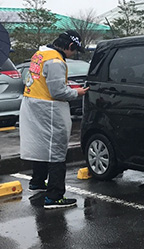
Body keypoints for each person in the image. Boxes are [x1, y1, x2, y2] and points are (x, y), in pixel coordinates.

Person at [20, 30, 89, 209]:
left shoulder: (40, 53)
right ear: (71, 46)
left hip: (32, 104)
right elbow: (58, 92)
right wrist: (78, 92)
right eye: (74, 51)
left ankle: (37, 181)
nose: (73, 54)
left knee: (42, 144)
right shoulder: (56, 61)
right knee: (57, 150)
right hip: (48, 108)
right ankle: (54, 196)